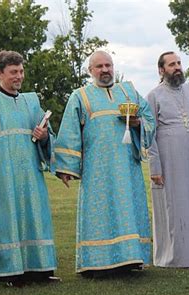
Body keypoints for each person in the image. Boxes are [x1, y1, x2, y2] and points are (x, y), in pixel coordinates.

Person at [54, 51, 155, 277]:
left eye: (108, 65)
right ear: (90, 71)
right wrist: (66, 167)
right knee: (100, 213)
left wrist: (138, 123)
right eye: (99, 66)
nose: (105, 70)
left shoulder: (128, 92)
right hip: (96, 170)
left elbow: (150, 119)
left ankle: (131, 259)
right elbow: (70, 132)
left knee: (128, 209)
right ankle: (96, 263)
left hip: (127, 167)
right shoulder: (80, 96)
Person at [0, 50, 58, 286]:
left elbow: (47, 137)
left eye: (21, 71)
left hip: (31, 175)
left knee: (35, 218)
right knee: (6, 221)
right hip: (2, 176)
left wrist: (44, 135)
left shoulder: (32, 101)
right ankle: (8, 272)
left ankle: (40, 269)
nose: (19, 76)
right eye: (13, 72)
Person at [146, 52, 189, 268]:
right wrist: (154, 166)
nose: (177, 67)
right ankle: (172, 255)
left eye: (179, 63)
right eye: (172, 64)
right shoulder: (154, 95)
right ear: (161, 70)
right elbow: (149, 134)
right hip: (167, 157)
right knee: (171, 205)